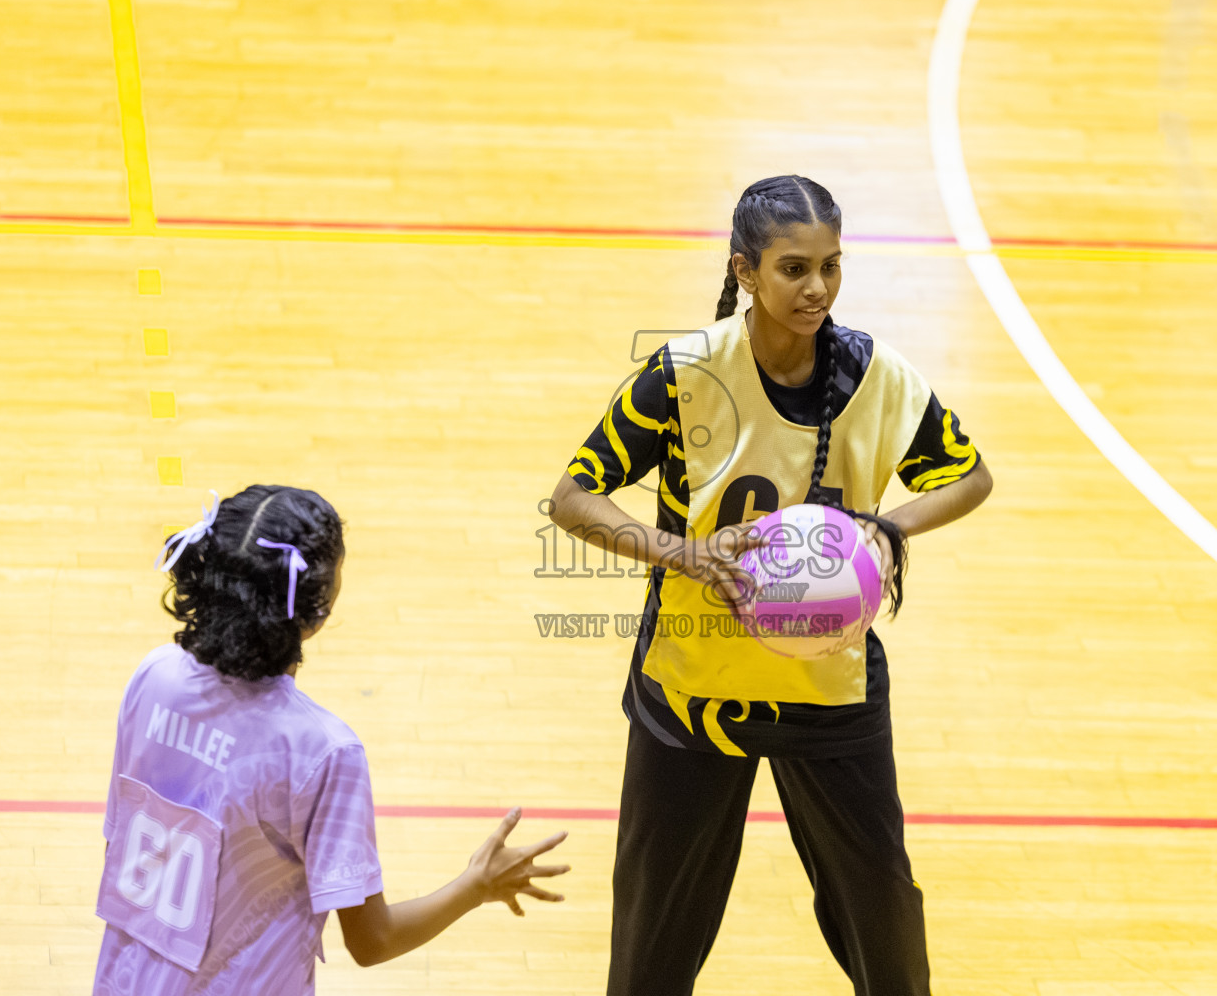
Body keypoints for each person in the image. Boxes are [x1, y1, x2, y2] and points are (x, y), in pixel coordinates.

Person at [548, 176, 993, 996]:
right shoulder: (684, 375)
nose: (817, 287)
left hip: (829, 688)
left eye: (830, 266)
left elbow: (971, 478)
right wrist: (680, 553)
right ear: (745, 271)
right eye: (793, 268)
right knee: (652, 945)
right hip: (693, 686)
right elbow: (572, 498)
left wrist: (888, 528)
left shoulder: (876, 375)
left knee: (885, 927)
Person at [94, 484, 568, 995]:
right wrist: (475, 885)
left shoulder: (153, 675)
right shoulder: (320, 751)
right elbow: (373, 941)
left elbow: (118, 838)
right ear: (317, 612)